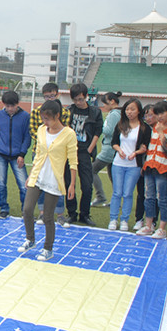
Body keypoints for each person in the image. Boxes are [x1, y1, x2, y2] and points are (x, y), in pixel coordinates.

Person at [19, 100, 77, 262]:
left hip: (54, 179)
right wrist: (31, 174)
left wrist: (72, 184)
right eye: (43, 118)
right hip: (38, 175)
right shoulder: (41, 130)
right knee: (27, 209)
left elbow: (73, 161)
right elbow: (38, 153)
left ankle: (48, 248)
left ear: (57, 116)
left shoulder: (69, 134)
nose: (45, 122)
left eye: (48, 118)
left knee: (48, 217)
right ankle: (30, 239)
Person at [136, 101, 167, 239]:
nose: (159, 116)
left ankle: (162, 228)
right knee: (149, 197)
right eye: (157, 114)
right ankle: (149, 225)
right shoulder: (156, 127)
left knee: (162, 198)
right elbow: (151, 147)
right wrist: (146, 163)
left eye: (162, 113)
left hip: (164, 167)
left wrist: (161, 132)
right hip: (150, 166)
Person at [107, 99, 151, 231]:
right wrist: (119, 150)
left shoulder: (144, 128)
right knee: (117, 192)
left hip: (134, 165)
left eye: (132, 109)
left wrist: (136, 153)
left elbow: (145, 147)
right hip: (118, 163)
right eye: (127, 109)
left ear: (138, 111)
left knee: (127, 193)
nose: (129, 112)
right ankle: (113, 219)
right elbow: (114, 142)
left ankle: (124, 220)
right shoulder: (121, 125)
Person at [30, 83, 70, 226]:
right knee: (40, 184)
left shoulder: (64, 112)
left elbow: (64, 132)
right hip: (40, 152)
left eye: (52, 96)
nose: (50, 99)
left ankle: (60, 214)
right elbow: (34, 131)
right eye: (47, 96)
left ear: (57, 94)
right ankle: (42, 213)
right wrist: (45, 140)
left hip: (57, 154)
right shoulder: (36, 112)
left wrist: (53, 140)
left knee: (57, 183)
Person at [64, 83, 103, 227]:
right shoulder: (69, 111)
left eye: (80, 99)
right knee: (69, 183)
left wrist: (90, 148)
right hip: (70, 151)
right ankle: (72, 213)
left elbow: (98, 131)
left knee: (87, 185)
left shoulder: (95, 112)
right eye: (75, 100)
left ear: (86, 96)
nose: (78, 102)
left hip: (85, 151)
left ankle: (84, 214)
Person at [0, 90, 30, 219]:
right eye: (7, 106)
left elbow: (27, 136)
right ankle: (3, 208)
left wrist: (22, 154)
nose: (10, 109)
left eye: (12, 106)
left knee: (24, 185)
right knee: (1, 183)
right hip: (1, 154)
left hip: (17, 156)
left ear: (17, 103)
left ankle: (26, 211)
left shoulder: (25, 116)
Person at [91, 91, 122, 207]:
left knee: (91, 170)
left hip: (109, 149)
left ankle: (100, 196)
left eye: (105, 103)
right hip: (113, 149)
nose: (103, 106)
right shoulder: (118, 113)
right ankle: (116, 200)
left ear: (112, 101)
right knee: (113, 176)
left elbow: (109, 131)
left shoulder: (114, 114)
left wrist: (98, 127)